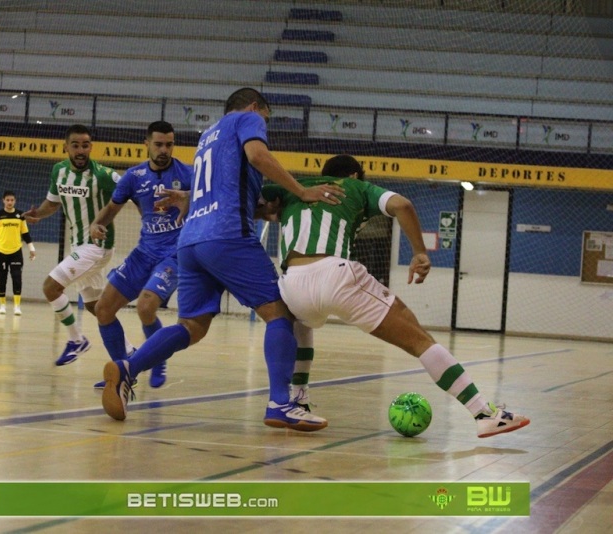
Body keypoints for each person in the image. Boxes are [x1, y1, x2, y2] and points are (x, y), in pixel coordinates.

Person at [101, 88, 343, 431]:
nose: (264, 127)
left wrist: (260, 210)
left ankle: (129, 367)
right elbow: (258, 156)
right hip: (227, 235)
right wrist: (301, 191)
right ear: (255, 108)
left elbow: (220, 188)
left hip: (190, 242)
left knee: (192, 327)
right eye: (267, 121)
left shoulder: (207, 138)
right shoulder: (246, 119)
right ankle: (280, 403)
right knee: (280, 314)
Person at [260, 154, 530, 438]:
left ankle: (298, 398)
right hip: (334, 274)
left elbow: (250, 204)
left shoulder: (290, 187)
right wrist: (419, 252)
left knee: (301, 323)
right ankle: (484, 413)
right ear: (354, 176)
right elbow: (402, 204)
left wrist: (271, 209)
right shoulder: (355, 188)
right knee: (418, 339)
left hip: (291, 282)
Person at [90, 121, 194, 389]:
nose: (164, 150)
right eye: (158, 144)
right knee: (103, 309)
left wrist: (188, 196)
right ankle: (123, 371)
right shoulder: (133, 177)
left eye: (169, 145)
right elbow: (112, 207)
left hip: (174, 254)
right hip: (144, 252)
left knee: (146, 307)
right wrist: (96, 223)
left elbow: (209, 199)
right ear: (146, 144)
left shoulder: (187, 173)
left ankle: (156, 359)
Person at [24, 124, 122, 366]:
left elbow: (133, 189)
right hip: (77, 246)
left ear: (91, 147)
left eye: (85, 145)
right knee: (97, 308)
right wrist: (38, 214)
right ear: (65, 147)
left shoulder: (103, 175)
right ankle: (128, 354)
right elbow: (52, 204)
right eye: (75, 145)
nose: (80, 150)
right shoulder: (59, 171)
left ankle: (77, 340)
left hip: (97, 246)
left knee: (50, 288)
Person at [0, 190, 36, 316]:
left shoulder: (20, 215)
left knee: (17, 277)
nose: (9, 202)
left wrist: (31, 248)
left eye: (12, 200)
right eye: (7, 200)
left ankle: (17, 306)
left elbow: (25, 233)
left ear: (15, 201)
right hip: (1, 251)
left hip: (16, 251)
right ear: (3, 200)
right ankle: (2, 305)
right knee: (2, 278)